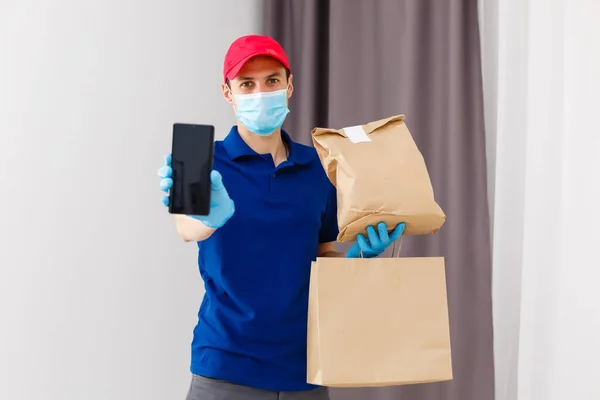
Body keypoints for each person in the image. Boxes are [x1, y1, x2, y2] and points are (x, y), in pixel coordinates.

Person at [158, 34, 405, 400]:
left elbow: (320, 254)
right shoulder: (201, 159)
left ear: (289, 85)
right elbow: (186, 229)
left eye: (272, 80)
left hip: (305, 366)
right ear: (228, 92)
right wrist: (210, 219)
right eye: (247, 84)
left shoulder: (319, 166)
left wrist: (359, 257)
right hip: (227, 365)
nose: (261, 92)